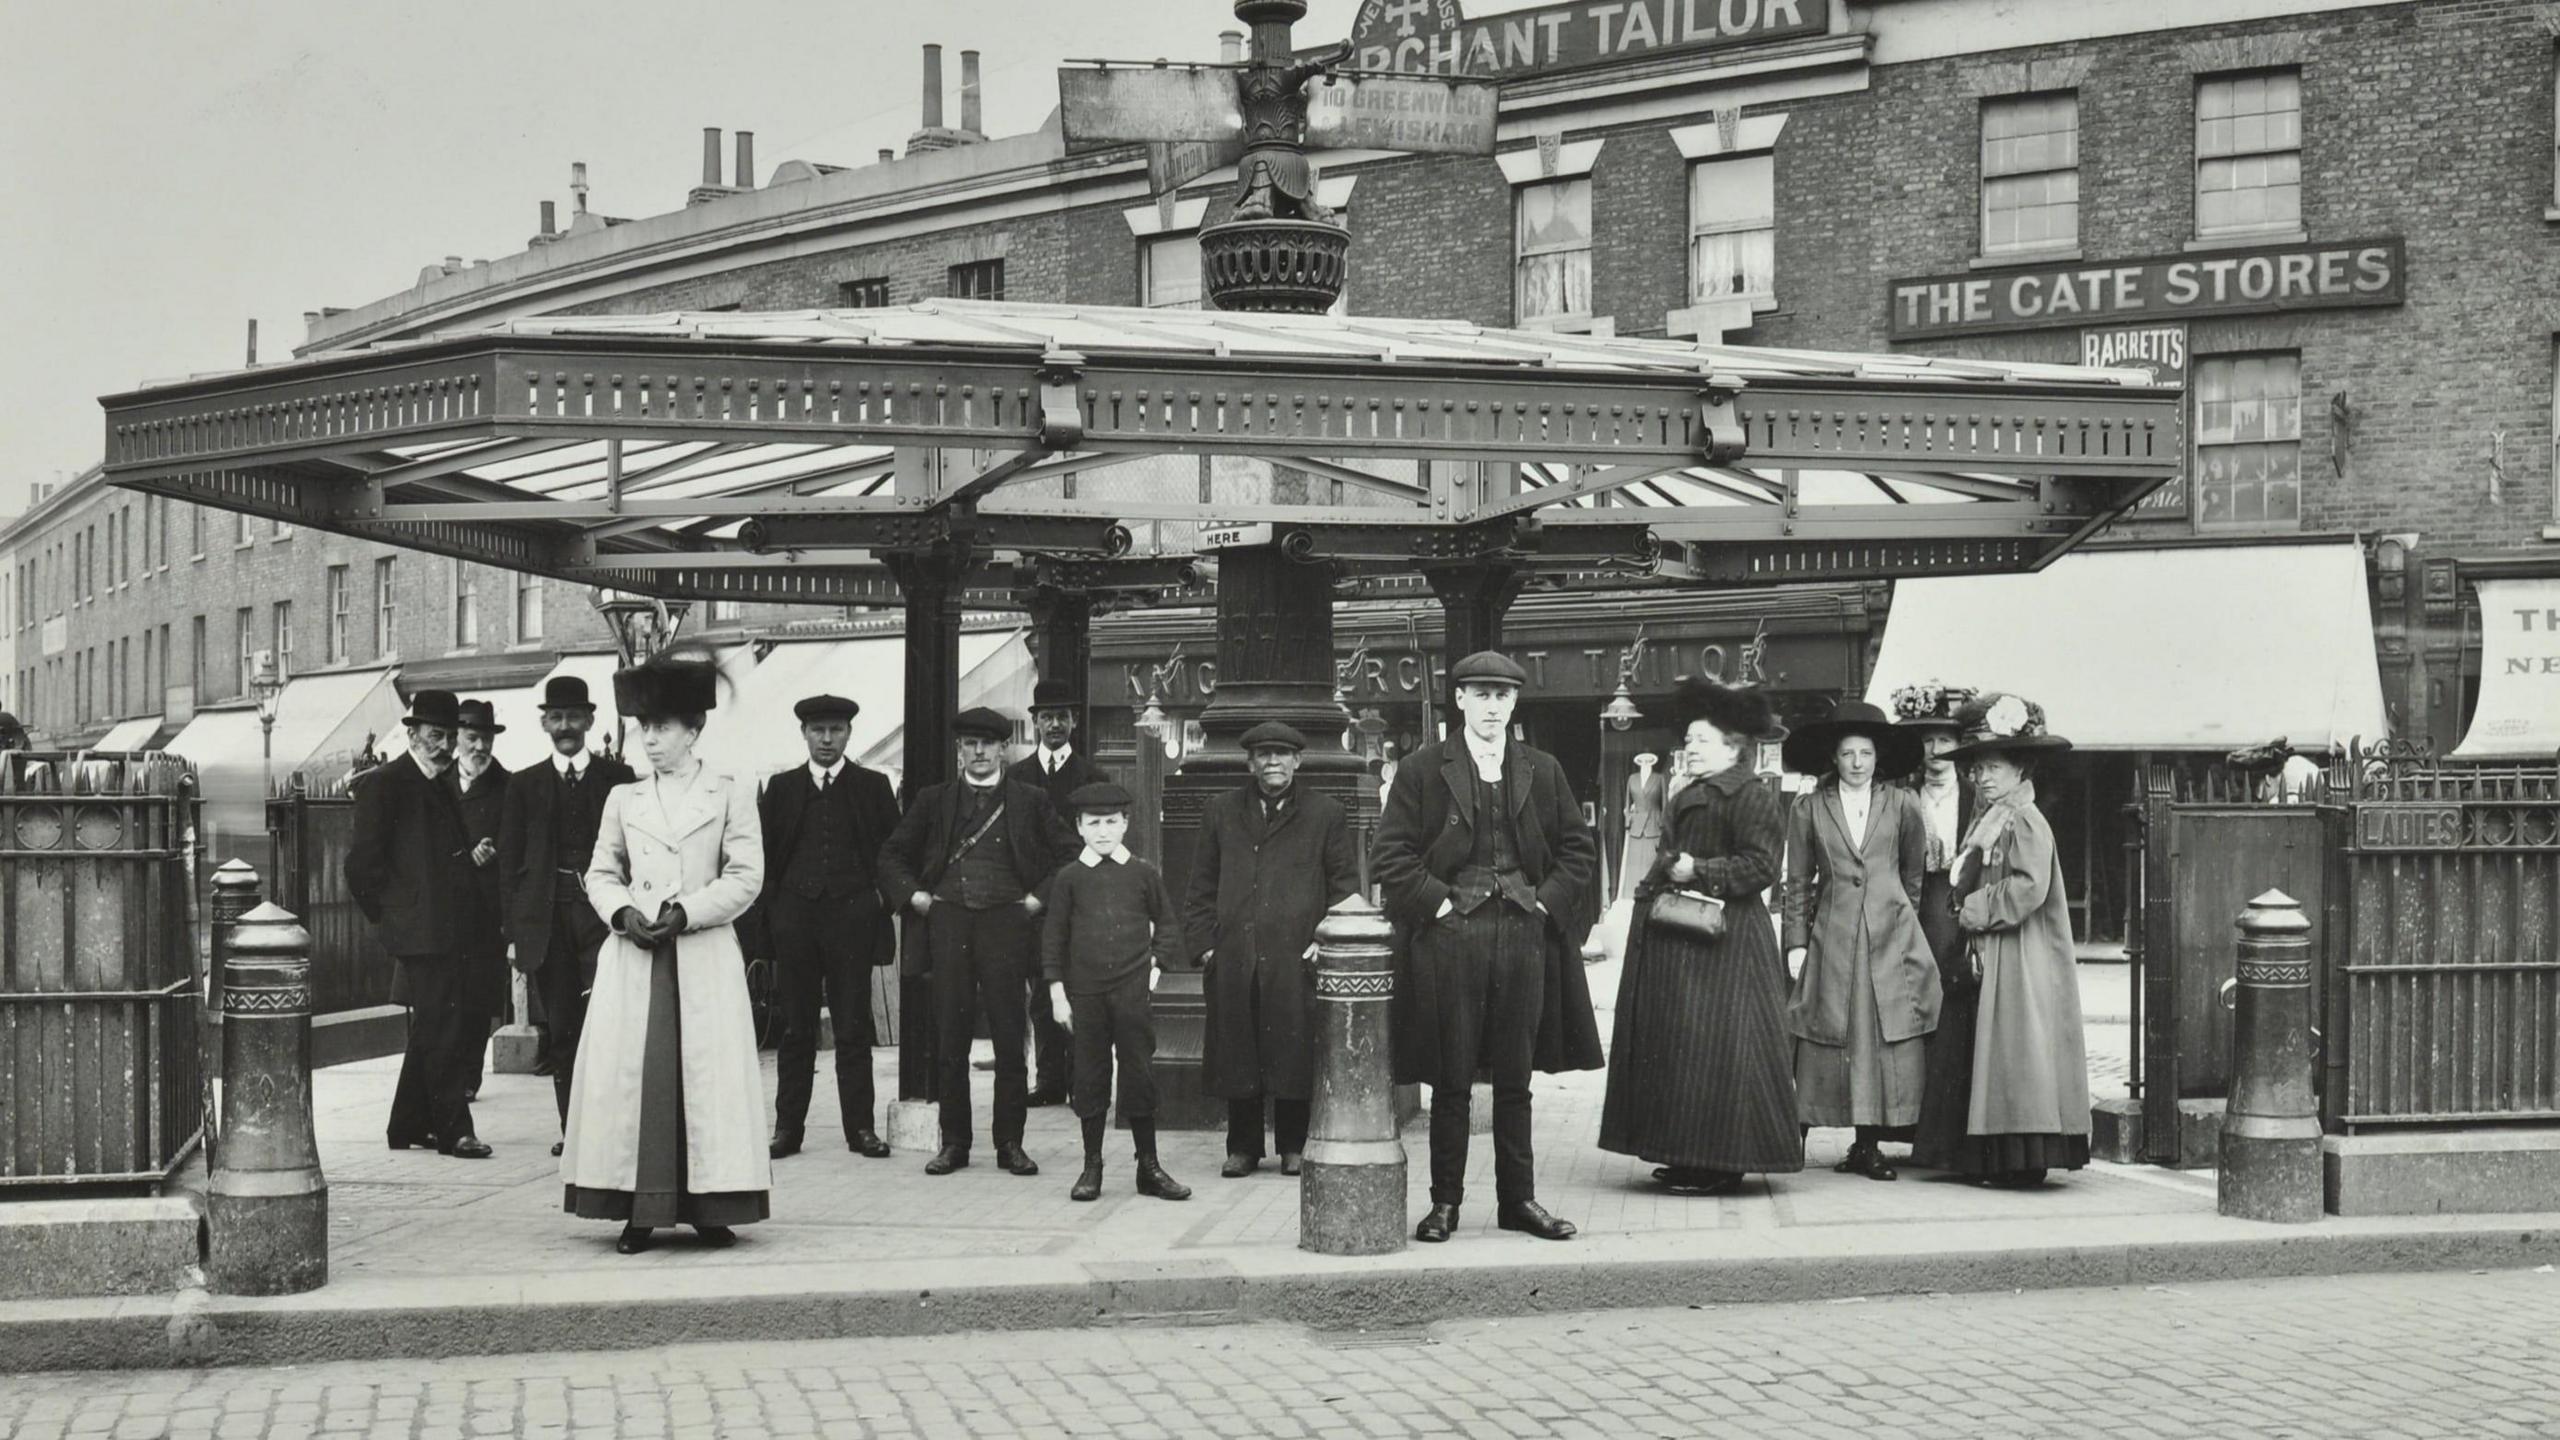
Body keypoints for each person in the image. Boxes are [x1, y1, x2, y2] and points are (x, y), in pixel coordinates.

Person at [1372, 651, 1602, 1244]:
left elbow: (1579, 849)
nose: (1492, 706)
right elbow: (1390, 856)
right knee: (1450, 1078)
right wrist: (1442, 904)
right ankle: (1444, 1202)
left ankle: (1517, 1201)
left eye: (1502, 696)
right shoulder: (1424, 770)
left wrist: (1546, 902)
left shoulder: (1542, 769)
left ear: (1515, 703)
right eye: (1481, 694)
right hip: (1452, 939)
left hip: (1523, 935)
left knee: (1515, 1078)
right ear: (1461, 701)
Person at [564, 652, 771, 1254]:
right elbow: (601, 871)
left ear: (693, 730)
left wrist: (689, 911)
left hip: (701, 953)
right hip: (636, 956)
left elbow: (747, 875)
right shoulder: (623, 800)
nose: (649, 741)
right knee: (637, 1078)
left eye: (662, 728)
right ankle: (638, 1209)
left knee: (706, 1080)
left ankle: (712, 1205)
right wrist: (623, 913)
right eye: (642, 728)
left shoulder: (730, 793)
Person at [1598, 678, 1801, 1196]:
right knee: (1684, 1048)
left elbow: (1761, 869)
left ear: (1734, 748)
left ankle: (1721, 1160)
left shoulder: (1751, 796)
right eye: (1688, 739)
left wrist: (1699, 870)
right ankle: (1687, 1153)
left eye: (1702, 740)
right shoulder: (1688, 791)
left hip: (1727, 946)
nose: (1690, 747)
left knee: (1721, 1052)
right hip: (1683, 936)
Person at [877, 706, 1077, 1178]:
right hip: (949, 925)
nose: (979, 752)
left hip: (1008, 926)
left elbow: (1069, 853)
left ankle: (1010, 1143)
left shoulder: (1030, 800)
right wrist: (917, 898)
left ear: (1004, 748)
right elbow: (891, 854)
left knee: (1010, 1039)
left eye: (988, 743)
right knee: (950, 1037)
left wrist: (1035, 900)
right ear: (958, 750)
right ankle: (955, 1143)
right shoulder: (935, 800)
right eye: (970, 743)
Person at [1184, 720, 1358, 1179]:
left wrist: (1327, 939)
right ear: (1250, 762)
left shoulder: (1326, 814)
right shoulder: (1221, 811)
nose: (1273, 762)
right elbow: (1200, 884)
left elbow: (1344, 887)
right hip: (1235, 953)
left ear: (1298, 761)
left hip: (1296, 955)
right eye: (1263, 754)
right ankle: (1243, 1146)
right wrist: (1205, 948)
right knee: (1238, 1044)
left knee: (1293, 1048)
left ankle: (1294, 1146)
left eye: (1282, 754)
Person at [1782, 698, 1939, 1183]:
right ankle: (1794, 1140)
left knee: (1876, 1041)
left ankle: (1868, 1145)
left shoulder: (1903, 804)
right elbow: (1797, 881)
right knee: (1824, 1032)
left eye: (1865, 754)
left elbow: (1914, 874)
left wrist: (1897, 917)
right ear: (1834, 757)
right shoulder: (1809, 808)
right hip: (1832, 936)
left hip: (1890, 936)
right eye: (1848, 754)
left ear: (1878, 758)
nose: (1856, 763)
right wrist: (1796, 942)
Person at [1943, 692, 2090, 1187]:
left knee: (2019, 1047)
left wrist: (1973, 910)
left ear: (2019, 769)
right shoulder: (1993, 818)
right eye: (1977, 769)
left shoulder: (2023, 819)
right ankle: (2003, 1155)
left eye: (1992, 768)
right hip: (2001, 947)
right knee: (2002, 1050)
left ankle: (2023, 1157)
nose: (1982, 778)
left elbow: (2030, 887)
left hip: (2023, 952)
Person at [745, 693, 900, 1161]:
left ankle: (861, 1131)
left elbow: (894, 854)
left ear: (849, 734)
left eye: (835, 730)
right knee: (796, 1029)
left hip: (852, 919)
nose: (827, 739)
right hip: (796, 920)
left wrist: (878, 902)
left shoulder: (873, 786)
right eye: (818, 731)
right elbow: (764, 858)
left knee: (854, 1027)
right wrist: (775, 915)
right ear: (804, 735)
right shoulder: (782, 787)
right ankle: (787, 1130)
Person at [345, 690, 489, 1159]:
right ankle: (454, 1130)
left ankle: (405, 1124)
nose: (445, 744)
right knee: (443, 1025)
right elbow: (361, 866)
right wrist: (392, 918)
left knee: (433, 1023)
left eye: (450, 736)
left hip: (450, 928)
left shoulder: (442, 783)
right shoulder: (385, 783)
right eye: (435, 735)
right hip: (418, 931)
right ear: (412, 734)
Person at [497, 676, 636, 1156]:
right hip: (547, 920)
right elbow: (510, 865)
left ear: (590, 720)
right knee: (563, 1026)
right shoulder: (523, 784)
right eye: (556, 718)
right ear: (543, 724)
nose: (565, 727)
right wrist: (513, 933)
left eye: (574, 717)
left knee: (611, 1022)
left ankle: (615, 1125)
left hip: (604, 919)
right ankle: (573, 1130)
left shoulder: (618, 778)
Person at [1041, 781, 1191, 1203]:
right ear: (1080, 827)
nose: (1103, 831)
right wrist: (1056, 992)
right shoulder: (1069, 879)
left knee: (1139, 1074)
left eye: (1111, 822)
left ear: (1125, 824)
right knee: (1089, 1076)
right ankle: (1092, 1166)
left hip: (1131, 991)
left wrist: (1153, 970)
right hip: (1085, 994)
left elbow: (1167, 926)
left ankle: (1149, 1166)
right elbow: (1053, 938)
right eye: (1094, 823)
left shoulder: (1143, 873)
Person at [1004, 676, 1108, 1105]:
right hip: (1032, 903)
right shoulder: (1015, 776)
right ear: (1034, 723)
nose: (1054, 725)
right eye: (1046, 717)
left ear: (1074, 722)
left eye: (1062, 717)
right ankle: (1048, 1082)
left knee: (1080, 991)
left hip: (1079, 900)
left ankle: (1079, 1080)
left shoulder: (1091, 775)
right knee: (1042, 993)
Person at [1895, 684, 1982, 1172]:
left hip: (1960, 908)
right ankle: (1910, 1126)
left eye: (1946, 742)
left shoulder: (1977, 799)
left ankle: (1953, 1129)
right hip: (1916, 907)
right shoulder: (1904, 797)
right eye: (1927, 742)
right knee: (1915, 1010)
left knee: (1958, 1012)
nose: (1936, 753)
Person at [446, 699, 513, 1106]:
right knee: (443, 998)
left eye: (486, 738)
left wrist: (496, 851)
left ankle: (468, 1078)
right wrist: (463, 855)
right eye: (472, 738)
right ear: (458, 739)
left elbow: (519, 839)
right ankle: (445, 1076)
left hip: (487, 914)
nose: (480, 746)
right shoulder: (440, 784)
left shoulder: (509, 786)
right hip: (446, 912)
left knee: (478, 1001)